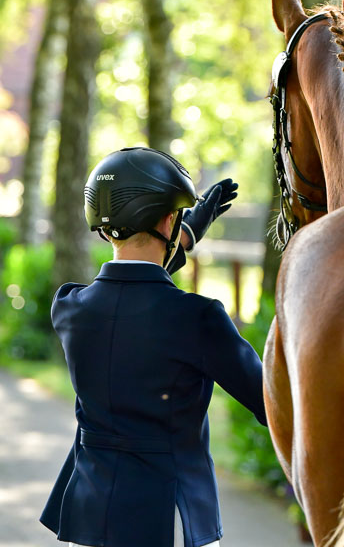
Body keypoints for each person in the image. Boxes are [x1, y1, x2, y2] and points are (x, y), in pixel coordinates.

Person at [40, 146, 267, 547]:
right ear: (168, 220)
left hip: (88, 519)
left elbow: (128, 299)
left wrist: (178, 234)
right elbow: (271, 400)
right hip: (172, 522)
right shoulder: (199, 318)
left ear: (106, 229)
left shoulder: (70, 307)